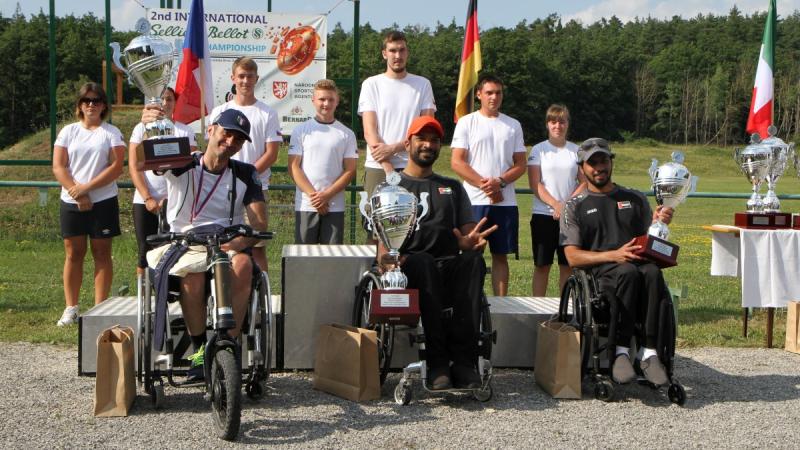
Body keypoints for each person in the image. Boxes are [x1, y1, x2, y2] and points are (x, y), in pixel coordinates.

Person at [377, 116, 497, 390]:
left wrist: (471, 243)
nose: (428, 145)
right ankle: (438, 362)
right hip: (411, 267)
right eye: (422, 139)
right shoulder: (390, 188)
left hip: (447, 264)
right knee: (425, 263)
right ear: (407, 143)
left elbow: (468, 234)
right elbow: (382, 248)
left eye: (434, 140)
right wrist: (388, 261)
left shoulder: (452, 187)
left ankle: (465, 362)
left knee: (473, 262)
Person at [147, 109, 268, 380]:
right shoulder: (184, 162)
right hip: (186, 241)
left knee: (243, 265)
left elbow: (259, 224)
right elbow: (152, 160)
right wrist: (150, 127)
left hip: (226, 240)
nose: (231, 142)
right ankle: (200, 349)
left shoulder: (246, 173)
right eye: (227, 134)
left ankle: (229, 345)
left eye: (239, 139)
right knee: (194, 276)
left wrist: (239, 240)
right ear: (211, 130)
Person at [559, 137, 673, 386]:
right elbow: (572, 257)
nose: (599, 167)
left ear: (611, 162)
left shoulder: (634, 198)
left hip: (637, 267)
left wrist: (660, 224)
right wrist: (614, 255)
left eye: (603, 160)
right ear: (582, 168)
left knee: (652, 273)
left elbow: (650, 238)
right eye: (593, 163)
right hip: (601, 275)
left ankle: (649, 352)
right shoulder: (574, 206)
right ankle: (619, 351)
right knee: (628, 273)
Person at [52, 82, 125, 326]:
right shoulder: (68, 131)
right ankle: (71, 308)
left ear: (104, 105)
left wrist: (87, 189)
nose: (91, 105)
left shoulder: (111, 132)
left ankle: (99, 310)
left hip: (103, 201)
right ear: (79, 106)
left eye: (96, 100)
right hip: (71, 201)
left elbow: (116, 167)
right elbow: (59, 166)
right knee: (74, 254)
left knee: (102, 253)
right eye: (86, 101)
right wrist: (78, 193)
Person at [450, 74, 526, 296]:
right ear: (479, 94)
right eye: (489, 92)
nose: (494, 97)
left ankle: (501, 303)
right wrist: (486, 186)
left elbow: (520, 164)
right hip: (473, 201)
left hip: (505, 202)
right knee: (472, 253)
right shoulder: (467, 122)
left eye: (498, 93)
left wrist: (500, 182)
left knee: (501, 255)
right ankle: (468, 299)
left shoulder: (513, 125)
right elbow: (457, 161)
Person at [358, 30, 436, 241]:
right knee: (376, 230)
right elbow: (369, 131)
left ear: (407, 53)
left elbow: (427, 129)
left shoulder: (422, 84)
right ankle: (375, 273)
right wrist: (388, 166)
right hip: (378, 167)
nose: (397, 55)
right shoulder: (371, 84)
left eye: (401, 50)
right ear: (384, 53)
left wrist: (395, 148)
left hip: (414, 165)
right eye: (392, 50)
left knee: (415, 229)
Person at [208, 56, 281, 270]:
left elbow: (271, 154)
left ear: (256, 79)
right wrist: (227, 175)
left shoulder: (268, 113)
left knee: (256, 246)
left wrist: (246, 176)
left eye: (250, 76)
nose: (245, 81)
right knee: (221, 244)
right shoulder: (219, 112)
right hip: (221, 187)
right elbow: (213, 150)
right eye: (241, 76)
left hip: (254, 188)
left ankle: (259, 301)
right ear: (233, 78)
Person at [129, 87, 198, 276]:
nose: (165, 104)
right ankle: (144, 295)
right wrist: (147, 198)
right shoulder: (140, 128)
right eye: (161, 100)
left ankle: (168, 292)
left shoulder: (184, 130)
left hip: (176, 201)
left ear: (175, 103)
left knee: (175, 250)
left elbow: (191, 166)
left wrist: (168, 199)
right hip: (145, 201)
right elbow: (135, 166)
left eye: (169, 99)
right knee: (145, 251)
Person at [288, 79, 357, 244]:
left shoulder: (347, 134)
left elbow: (350, 170)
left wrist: (327, 195)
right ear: (313, 100)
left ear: (337, 101)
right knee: (304, 258)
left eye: (331, 99)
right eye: (322, 99)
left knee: (331, 259)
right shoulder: (300, 130)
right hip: (306, 204)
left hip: (335, 205)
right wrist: (315, 198)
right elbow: (294, 167)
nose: (326, 104)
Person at [527, 104, 585, 296]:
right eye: (553, 121)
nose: (557, 126)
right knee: (542, 265)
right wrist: (555, 204)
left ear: (568, 124)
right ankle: (537, 309)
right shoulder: (538, 149)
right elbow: (535, 183)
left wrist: (566, 206)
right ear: (547, 124)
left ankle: (565, 311)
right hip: (543, 215)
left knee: (566, 266)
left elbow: (584, 183)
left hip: (570, 217)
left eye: (562, 121)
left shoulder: (577, 151)